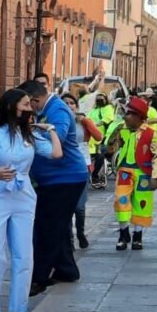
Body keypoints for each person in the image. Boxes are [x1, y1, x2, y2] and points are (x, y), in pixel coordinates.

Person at [0, 88, 63, 312]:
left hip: (23, 196)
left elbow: (56, 153)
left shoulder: (29, 135)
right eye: (25, 104)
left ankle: (20, 308)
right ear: (12, 106)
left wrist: (50, 129)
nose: (30, 108)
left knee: (24, 253)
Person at [18, 79, 86, 294]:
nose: (27, 109)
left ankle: (38, 277)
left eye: (27, 103)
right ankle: (67, 269)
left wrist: (33, 132)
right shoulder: (44, 110)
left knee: (46, 228)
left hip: (65, 178)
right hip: (55, 179)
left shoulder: (58, 110)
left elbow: (59, 138)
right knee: (58, 226)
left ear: (35, 99)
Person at [106, 97, 157, 251]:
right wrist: (114, 132)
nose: (125, 116)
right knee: (121, 199)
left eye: (129, 113)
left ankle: (137, 236)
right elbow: (109, 146)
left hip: (144, 172)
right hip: (124, 170)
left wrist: (155, 176)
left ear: (138, 116)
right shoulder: (122, 129)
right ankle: (123, 234)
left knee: (142, 203)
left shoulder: (151, 133)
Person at [61, 93, 102, 249]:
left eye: (72, 103)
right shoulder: (58, 122)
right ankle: (69, 239)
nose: (69, 105)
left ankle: (80, 233)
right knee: (66, 206)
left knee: (79, 206)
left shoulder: (82, 122)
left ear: (76, 106)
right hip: (63, 167)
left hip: (82, 166)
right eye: (65, 103)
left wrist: (85, 121)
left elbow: (98, 137)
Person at [89, 92, 115, 182]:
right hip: (90, 135)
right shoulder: (94, 109)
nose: (99, 100)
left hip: (100, 136)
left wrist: (96, 124)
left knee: (99, 156)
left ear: (105, 99)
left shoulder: (108, 108)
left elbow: (107, 118)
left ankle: (95, 175)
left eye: (101, 99)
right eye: (98, 99)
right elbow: (88, 118)